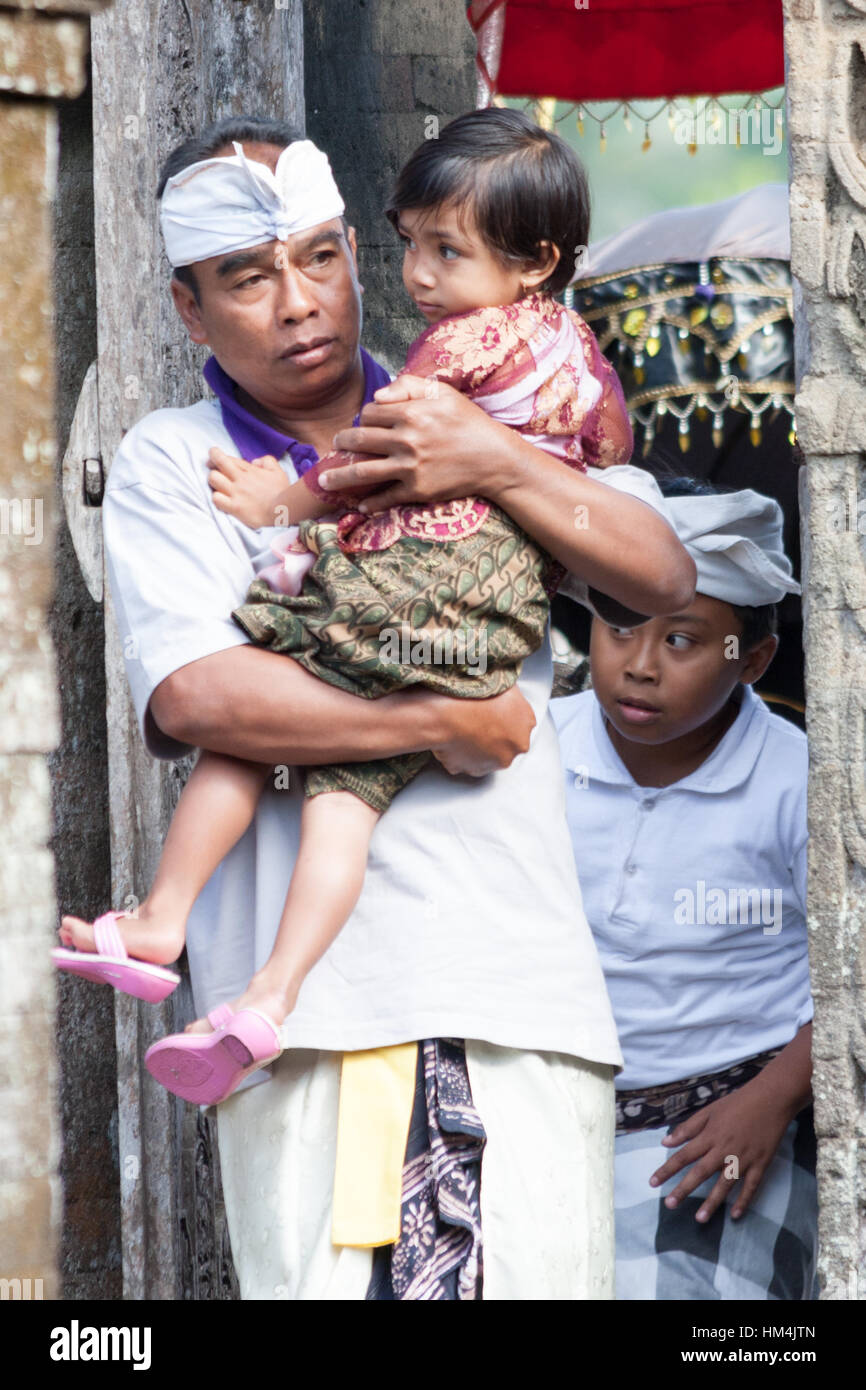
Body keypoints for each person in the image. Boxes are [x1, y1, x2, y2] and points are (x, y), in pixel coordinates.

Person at [57, 112, 694, 1299]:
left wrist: (493, 462)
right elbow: (205, 691)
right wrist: (443, 719)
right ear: (191, 310)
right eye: (248, 278)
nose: (299, 302)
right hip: (315, 1020)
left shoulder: (481, 396)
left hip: (515, 988)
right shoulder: (175, 460)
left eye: (318, 259)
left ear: (358, 253)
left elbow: (657, 574)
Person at [552, 478, 816, 1300]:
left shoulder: (799, 781)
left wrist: (771, 1102)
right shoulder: (530, 750)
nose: (638, 666)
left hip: (726, 1123)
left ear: (755, 661)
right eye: (621, 624)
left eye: (684, 641)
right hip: (551, 1120)